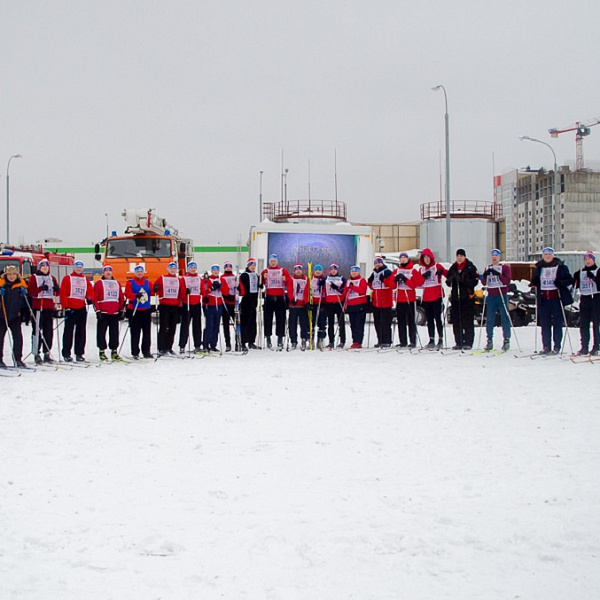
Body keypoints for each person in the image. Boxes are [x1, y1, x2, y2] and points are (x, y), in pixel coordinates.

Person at [530, 247, 573, 354]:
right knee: (545, 324)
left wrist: (561, 282)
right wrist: (534, 282)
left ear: (552, 255)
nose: (547, 256)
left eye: (549, 254)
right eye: (545, 254)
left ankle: (557, 346)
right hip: (544, 299)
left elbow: (569, 280)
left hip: (556, 299)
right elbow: (536, 280)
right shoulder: (539, 267)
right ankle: (546, 346)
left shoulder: (561, 267)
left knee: (557, 323)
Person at [60, 260, 94, 362]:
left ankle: (79, 353)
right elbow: (63, 292)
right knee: (69, 331)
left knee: (81, 332)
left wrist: (89, 298)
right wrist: (66, 306)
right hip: (71, 308)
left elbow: (90, 291)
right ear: (74, 268)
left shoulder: (85, 279)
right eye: (77, 267)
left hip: (81, 308)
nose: (78, 269)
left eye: (80, 267)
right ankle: (66, 353)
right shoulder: (67, 278)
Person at [27, 258, 60, 364]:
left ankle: (47, 352)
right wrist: (41, 288)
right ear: (40, 267)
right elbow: (31, 292)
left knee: (48, 331)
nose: (45, 268)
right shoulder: (34, 277)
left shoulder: (52, 278)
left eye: (46, 266)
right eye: (43, 266)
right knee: (37, 331)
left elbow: (57, 291)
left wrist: (56, 289)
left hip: (49, 308)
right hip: (38, 308)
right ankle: (36, 353)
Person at [445, 249, 479, 350]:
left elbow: (475, 281)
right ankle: (459, 341)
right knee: (457, 321)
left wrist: (465, 281)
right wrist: (451, 280)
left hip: (467, 298)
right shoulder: (453, 267)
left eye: (461, 256)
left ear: (464, 256)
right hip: (456, 298)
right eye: (458, 256)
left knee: (467, 321)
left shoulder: (470, 267)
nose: (459, 258)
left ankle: (468, 342)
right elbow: (448, 280)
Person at [481, 249, 512, 352]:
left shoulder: (505, 268)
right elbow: (484, 282)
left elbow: (507, 281)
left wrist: (499, 275)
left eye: (496, 255)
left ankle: (506, 339)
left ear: (499, 257)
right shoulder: (488, 267)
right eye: (493, 255)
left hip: (501, 295)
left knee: (504, 317)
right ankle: (489, 339)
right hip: (491, 295)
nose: (494, 257)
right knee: (490, 318)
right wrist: (485, 275)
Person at [93, 265, 125, 361]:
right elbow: (95, 297)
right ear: (103, 273)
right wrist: (97, 311)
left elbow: (121, 297)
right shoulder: (99, 283)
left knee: (114, 333)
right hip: (103, 312)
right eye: (106, 271)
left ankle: (114, 351)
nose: (108, 272)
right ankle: (102, 351)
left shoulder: (117, 283)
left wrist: (122, 310)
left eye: (110, 271)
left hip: (114, 312)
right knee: (101, 332)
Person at [393, 252, 424, 349]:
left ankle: (412, 341)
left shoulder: (413, 270)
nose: (402, 259)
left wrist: (405, 279)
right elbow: (392, 286)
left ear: (407, 259)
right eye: (401, 258)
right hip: (400, 299)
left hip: (409, 298)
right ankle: (403, 341)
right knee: (401, 321)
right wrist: (395, 280)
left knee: (411, 321)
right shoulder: (397, 270)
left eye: (404, 258)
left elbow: (415, 284)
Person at [153, 262, 184, 356]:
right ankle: (161, 347)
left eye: (174, 268)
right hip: (164, 305)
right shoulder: (162, 278)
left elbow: (181, 293)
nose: (173, 270)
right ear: (168, 269)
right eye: (171, 268)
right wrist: (155, 288)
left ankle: (169, 347)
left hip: (174, 306)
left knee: (172, 327)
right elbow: (155, 288)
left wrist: (180, 306)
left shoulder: (179, 280)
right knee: (164, 327)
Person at [0, 265, 29, 368]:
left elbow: (25, 304)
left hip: (15, 315)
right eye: (9, 274)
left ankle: (18, 359)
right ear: (5, 275)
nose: (11, 276)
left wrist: (25, 295)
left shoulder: (20, 286)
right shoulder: (2, 285)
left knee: (18, 337)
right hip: (2, 315)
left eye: (13, 274)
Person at [418, 248, 447, 349]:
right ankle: (431, 339)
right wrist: (424, 276)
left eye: (428, 258)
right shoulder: (421, 269)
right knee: (429, 320)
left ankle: (441, 338)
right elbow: (418, 283)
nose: (426, 260)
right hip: (427, 297)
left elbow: (447, 274)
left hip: (436, 296)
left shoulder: (436, 266)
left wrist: (442, 271)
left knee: (437, 319)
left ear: (431, 258)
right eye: (424, 258)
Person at [573, 251, 600, 356]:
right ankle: (584, 346)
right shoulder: (581, 271)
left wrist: (593, 278)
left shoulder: (598, 270)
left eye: (590, 259)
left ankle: (596, 346)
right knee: (584, 324)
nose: (588, 261)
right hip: (585, 298)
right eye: (586, 259)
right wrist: (575, 280)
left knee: (596, 323)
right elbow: (576, 284)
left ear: (593, 260)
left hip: (596, 298)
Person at [261, 254, 290, 350]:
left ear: (277, 262)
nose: (273, 263)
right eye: (271, 261)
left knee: (280, 319)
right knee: (268, 319)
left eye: (274, 261)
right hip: (269, 298)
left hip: (279, 298)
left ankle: (280, 339)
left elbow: (289, 282)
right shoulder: (265, 271)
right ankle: (268, 338)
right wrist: (263, 278)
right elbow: (260, 284)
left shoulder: (282, 270)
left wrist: (285, 280)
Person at [124, 264, 153, 359]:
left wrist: (156, 289)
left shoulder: (148, 282)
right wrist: (135, 295)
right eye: (138, 272)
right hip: (135, 309)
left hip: (146, 309)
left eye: (141, 271)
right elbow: (127, 294)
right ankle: (135, 352)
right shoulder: (130, 283)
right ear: (135, 273)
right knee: (135, 332)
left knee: (147, 332)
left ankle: (146, 351)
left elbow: (153, 292)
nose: (139, 273)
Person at [201, 264, 229, 352]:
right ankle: (206, 344)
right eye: (214, 270)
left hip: (219, 305)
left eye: (217, 270)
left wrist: (220, 286)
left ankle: (213, 344)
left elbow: (226, 292)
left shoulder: (221, 279)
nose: (216, 272)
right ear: (211, 271)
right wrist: (211, 288)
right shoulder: (208, 280)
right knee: (209, 325)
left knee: (216, 326)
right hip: (210, 305)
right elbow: (204, 291)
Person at [368, 256, 394, 348]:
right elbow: (372, 286)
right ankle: (380, 340)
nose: (377, 264)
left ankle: (387, 340)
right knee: (377, 322)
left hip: (385, 301)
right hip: (376, 302)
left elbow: (392, 285)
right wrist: (369, 282)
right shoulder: (374, 273)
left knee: (385, 322)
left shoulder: (387, 272)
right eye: (376, 263)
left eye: (379, 263)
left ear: (382, 263)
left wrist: (384, 280)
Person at [178, 261, 203, 353]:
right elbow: (181, 292)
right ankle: (182, 345)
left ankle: (197, 345)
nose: (193, 269)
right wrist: (185, 293)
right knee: (185, 325)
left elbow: (202, 290)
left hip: (196, 304)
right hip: (187, 303)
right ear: (188, 269)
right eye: (191, 267)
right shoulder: (184, 278)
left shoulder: (199, 278)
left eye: (194, 267)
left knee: (197, 325)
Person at [286, 263, 309, 350]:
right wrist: (291, 299)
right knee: (292, 324)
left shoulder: (306, 279)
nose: (298, 271)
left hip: (302, 306)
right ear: (294, 271)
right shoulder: (291, 279)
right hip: (293, 306)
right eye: (296, 269)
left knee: (304, 324)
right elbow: (289, 289)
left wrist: (307, 302)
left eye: (300, 269)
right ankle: (293, 341)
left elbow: (307, 291)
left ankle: (303, 339)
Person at [344, 265, 368, 348]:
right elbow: (345, 292)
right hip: (351, 304)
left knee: (359, 323)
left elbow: (362, 291)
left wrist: (353, 287)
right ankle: (354, 340)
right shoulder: (348, 280)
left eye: (356, 271)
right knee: (352, 324)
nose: (354, 273)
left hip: (360, 304)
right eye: (352, 271)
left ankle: (358, 341)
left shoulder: (362, 280)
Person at [238, 258, 260, 349]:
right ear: (248, 266)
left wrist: (260, 285)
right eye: (251, 265)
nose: (253, 267)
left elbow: (257, 286)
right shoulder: (244, 275)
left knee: (252, 322)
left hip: (254, 302)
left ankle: (251, 341)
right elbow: (243, 288)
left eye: (254, 265)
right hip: (246, 302)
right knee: (245, 322)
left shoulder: (256, 275)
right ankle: (243, 341)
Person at [324, 263, 346, 349]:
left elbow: (344, 290)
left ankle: (342, 340)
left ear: (337, 270)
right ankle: (331, 341)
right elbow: (321, 287)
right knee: (330, 323)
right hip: (329, 303)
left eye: (335, 269)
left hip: (339, 302)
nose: (333, 271)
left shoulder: (342, 278)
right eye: (332, 269)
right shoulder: (326, 278)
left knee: (341, 323)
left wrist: (336, 288)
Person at [221, 261, 238, 351]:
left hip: (235, 304)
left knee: (237, 323)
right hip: (226, 303)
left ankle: (237, 342)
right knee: (226, 324)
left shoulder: (235, 277)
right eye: (226, 267)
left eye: (230, 267)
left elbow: (241, 289)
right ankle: (227, 343)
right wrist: (227, 296)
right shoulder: (222, 277)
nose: (228, 268)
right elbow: (222, 289)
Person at [309, 264, 327, 350]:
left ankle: (321, 339)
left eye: (319, 270)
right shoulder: (311, 279)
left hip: (322, 303)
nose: (318, 271)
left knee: (322, 323)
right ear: (314, 271)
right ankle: (311, 340)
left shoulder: (325, 280)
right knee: (311, 322)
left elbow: (328, 291)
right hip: (313, 303)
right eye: (316, 270)